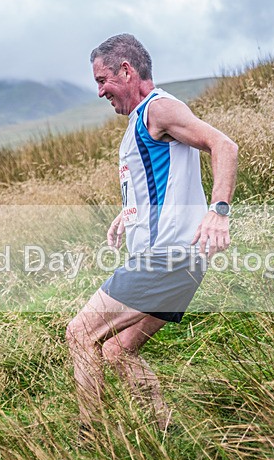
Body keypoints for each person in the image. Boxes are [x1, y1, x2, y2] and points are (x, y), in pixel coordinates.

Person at [66, 33, 238, 434]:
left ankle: (92, 440)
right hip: (183, 262)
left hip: (166, 258)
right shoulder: (139, 122)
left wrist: (219, 211)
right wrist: (129, 214)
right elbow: (162, 181)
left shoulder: (157, 109)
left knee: (80, 333)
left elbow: (223, 145)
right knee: (117, 350)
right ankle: (166, 431)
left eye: (102, 80)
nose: (99, 91)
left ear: (126, 70)